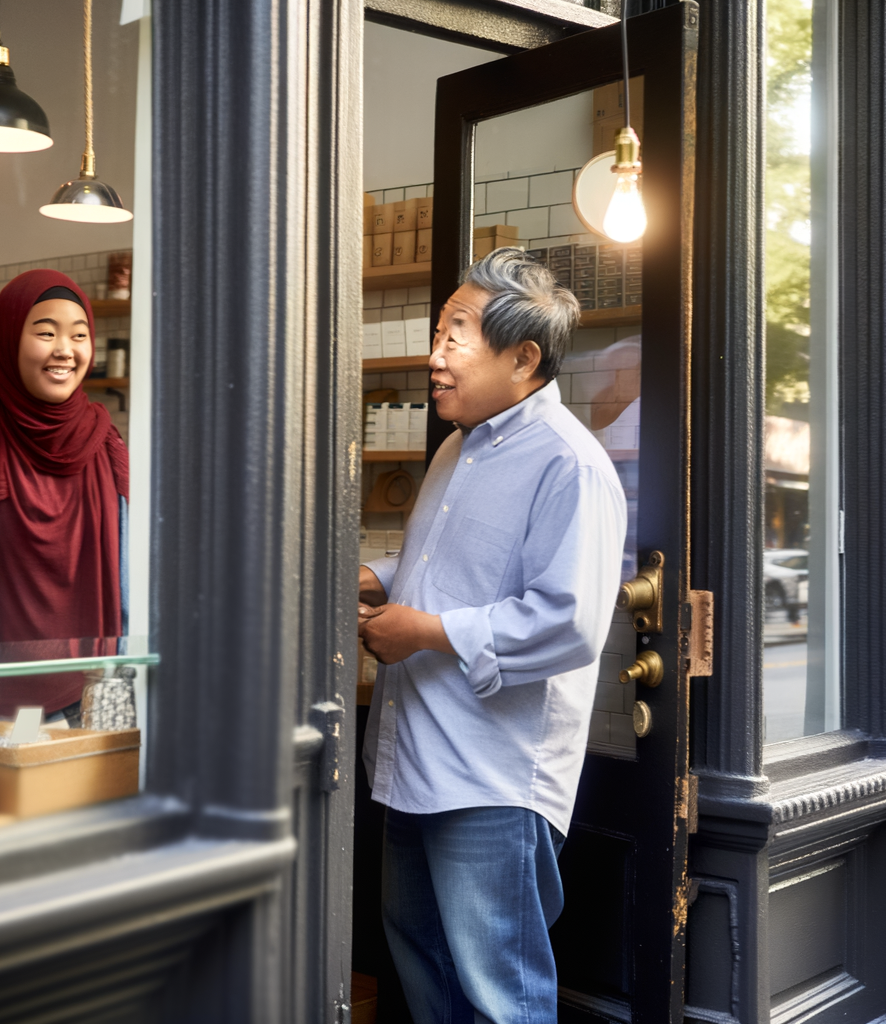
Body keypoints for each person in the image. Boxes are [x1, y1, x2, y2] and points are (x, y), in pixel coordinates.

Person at [357, 247, 626, 1024]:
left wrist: (426, 630)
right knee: (422, 969)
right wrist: (379, 577)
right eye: (438, 332)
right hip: (413, 756)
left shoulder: (570, 463)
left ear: (523, 356)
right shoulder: (455, 444)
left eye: (456, 335)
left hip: (492, 777)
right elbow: (448, 562)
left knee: (498, 994)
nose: (434, 354)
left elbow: (568, 620)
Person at [0, 270, 128, 721]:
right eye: (45, 332)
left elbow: (131, 584)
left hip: (93, 703)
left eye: (79, 335)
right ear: (6, 340)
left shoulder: (105, 442)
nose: (65, 349)